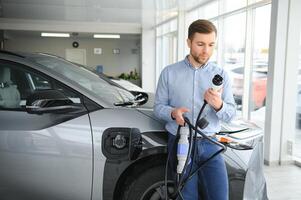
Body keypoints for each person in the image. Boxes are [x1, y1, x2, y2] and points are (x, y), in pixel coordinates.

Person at [154, 19, 236, 200]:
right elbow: (158, 107)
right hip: (180, 143)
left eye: (211, 44)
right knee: (187, 196)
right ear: (189, 42)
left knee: (220, 196)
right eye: (200, 44)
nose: (206, 50)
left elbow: (231, 114)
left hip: (210, 144)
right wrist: (172, 113)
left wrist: (218, 105)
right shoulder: (169, 73)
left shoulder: (221, 75)